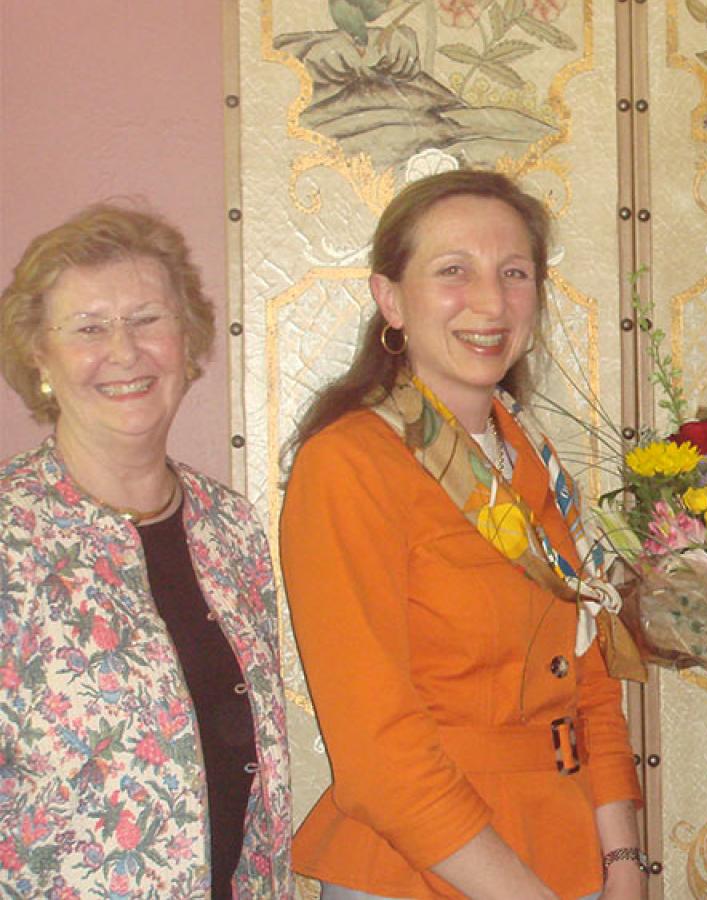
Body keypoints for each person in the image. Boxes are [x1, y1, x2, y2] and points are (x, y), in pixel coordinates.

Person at [279, 170, 644, 900]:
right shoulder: (351, 464)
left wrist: (624, 864)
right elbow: (378, 751)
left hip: (568, 853)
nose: (490, 301)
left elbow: (591, 687)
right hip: (424, 869)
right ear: (391, 299)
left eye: (514, 273)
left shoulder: (530, 457)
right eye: (454, 272)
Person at [0, 204, 293, 897]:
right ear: (40, 356)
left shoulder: (231, 529)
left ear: (187, 342)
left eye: (147, 320)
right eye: (89, 329)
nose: (124, 352)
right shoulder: (10, 535)